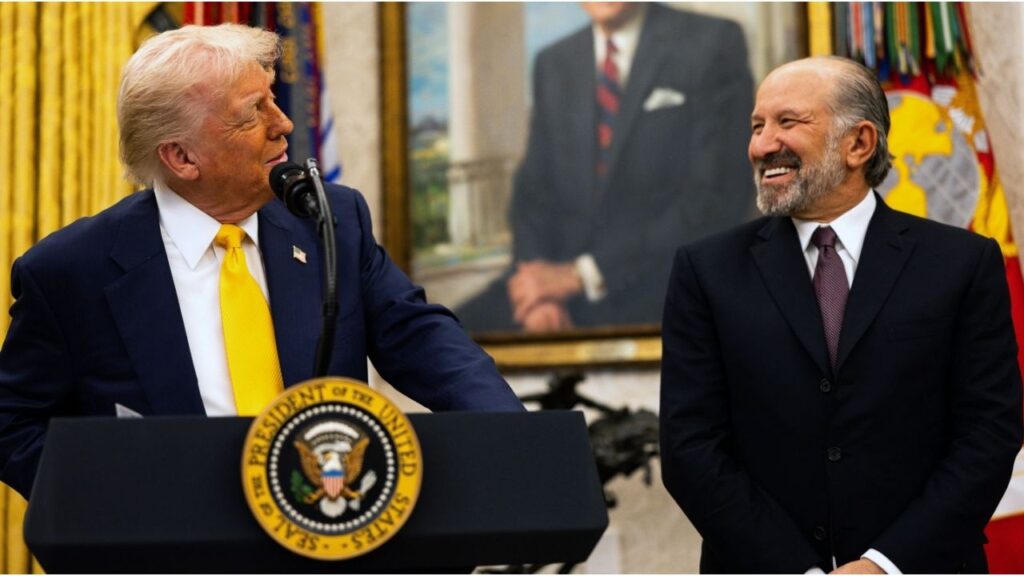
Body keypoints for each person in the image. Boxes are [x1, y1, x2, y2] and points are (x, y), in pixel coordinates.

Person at [0, 24, 524, 500]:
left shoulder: (331, 222)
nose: (284, 123)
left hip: (329, 532)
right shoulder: (72, 270)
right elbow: (13, 422)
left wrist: (516, 440)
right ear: (181, 157)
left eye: (273, 99)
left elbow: (422, 338)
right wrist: (108, 508)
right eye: (253, 112)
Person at [659, 56, 1023, 573]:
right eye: (757, 126)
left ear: (860, 144)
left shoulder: (961, 264)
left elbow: (988, 435)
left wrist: (881, 564)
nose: (762, 145)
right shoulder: (707, 271)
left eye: (788, 122)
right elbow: (690, 448)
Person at [456, 2, 754, 332]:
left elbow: (714, 201)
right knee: (437, 345)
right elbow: (532, 197)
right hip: (553, 286)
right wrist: (539, 293)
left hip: (658, 282)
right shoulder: (554, 62)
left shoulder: (712, 42)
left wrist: (582, 276)